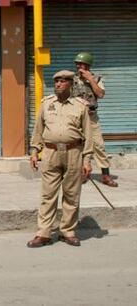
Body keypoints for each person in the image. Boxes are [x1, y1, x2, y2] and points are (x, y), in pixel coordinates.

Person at [27, 70, 93, 248]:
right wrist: (34, 152)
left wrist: (87, 160)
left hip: (73, 153)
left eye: (62, 81)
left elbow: (88, 134)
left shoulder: (80, 106)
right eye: (56, 81)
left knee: (72, 195)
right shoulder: (46, 104)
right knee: (48, 194)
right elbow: (38, 130)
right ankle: (44, 233)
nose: (58, 84)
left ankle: (67, 231)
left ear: (71, 84)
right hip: (50, 153)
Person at [72, 52, 118, 187]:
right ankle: (83, 173)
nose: (79, 67)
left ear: (88, 65)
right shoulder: (71, 79)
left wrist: (90, 80)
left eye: (81, 64)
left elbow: (100, 94)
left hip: (91, 117)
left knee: (99, 146)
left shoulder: (96, 79)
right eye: (77, 64)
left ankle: (105, 175)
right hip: (76, 118)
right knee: (78, 146)